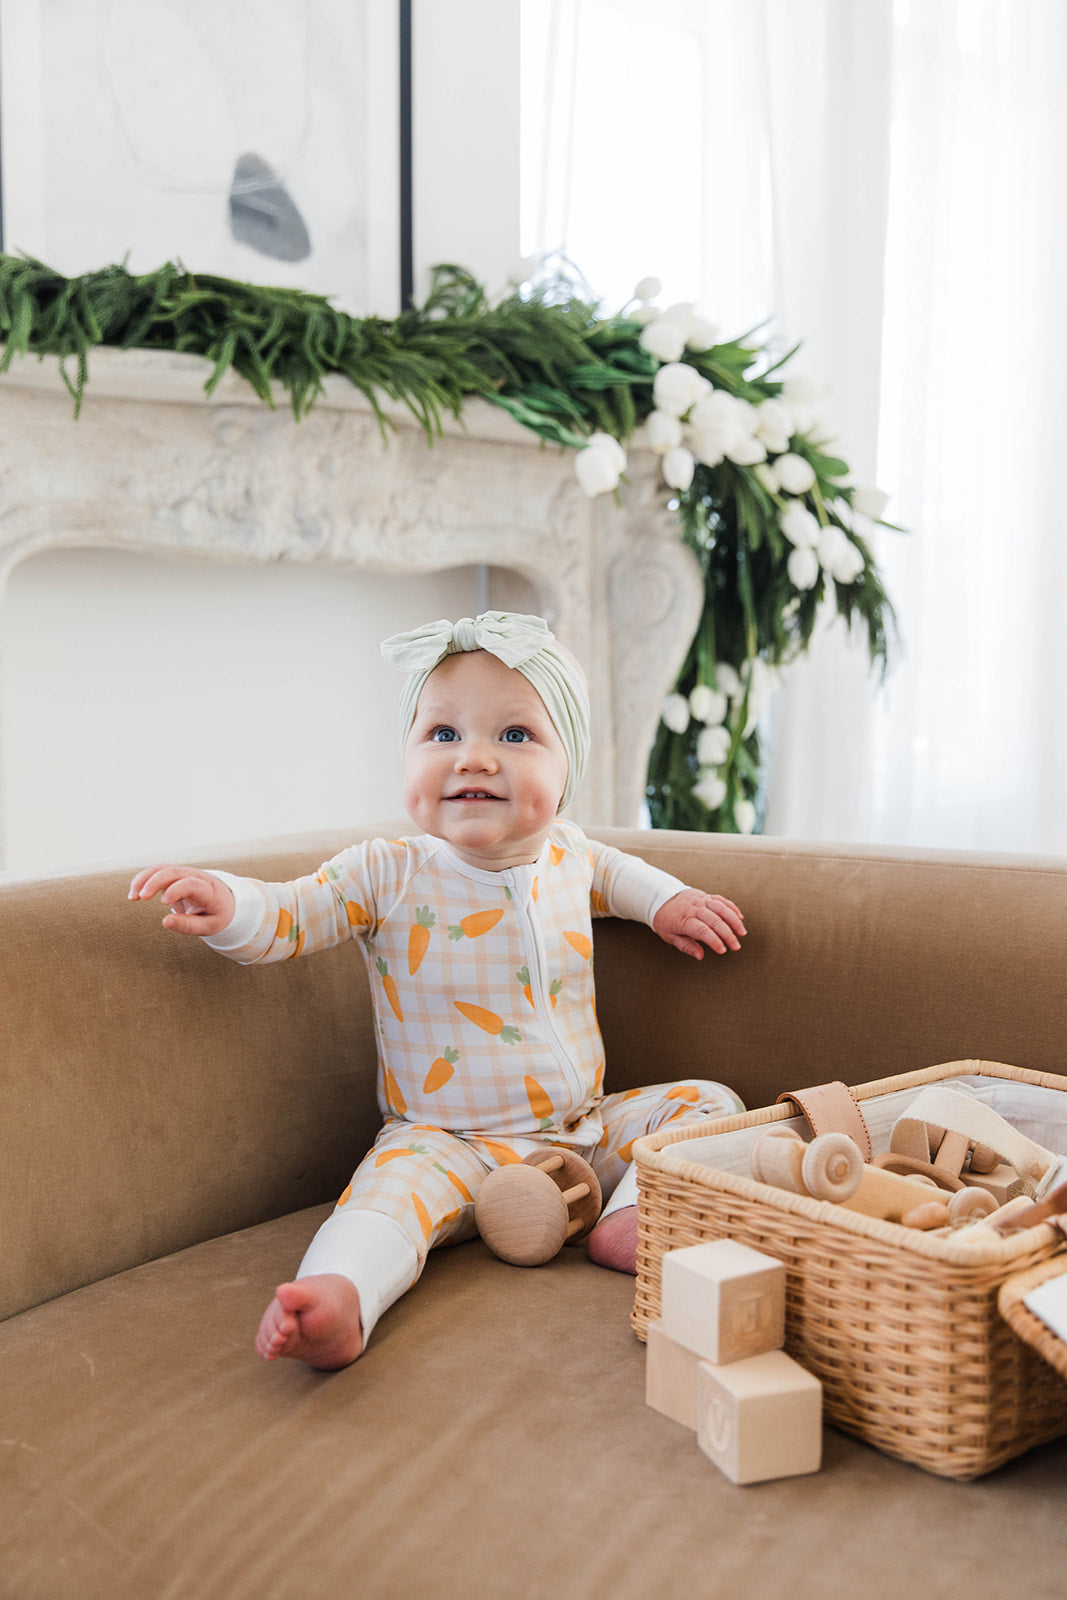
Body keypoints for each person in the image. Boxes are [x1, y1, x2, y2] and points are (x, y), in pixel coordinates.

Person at [129, 611, 746, 1370]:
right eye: (443, 735)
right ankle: (336, 1299)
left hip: (585, 1132)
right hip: (445, 1140)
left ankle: (632, 1218)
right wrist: (230, 904)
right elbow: (294, 913)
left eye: (515, 736)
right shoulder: (388, 871)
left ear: (566, 772)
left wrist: (666, 903)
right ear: (409, 754)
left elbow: (618, 876)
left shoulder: (569, 854)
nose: (475, 760)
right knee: (383, 1203)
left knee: (707, 1102)